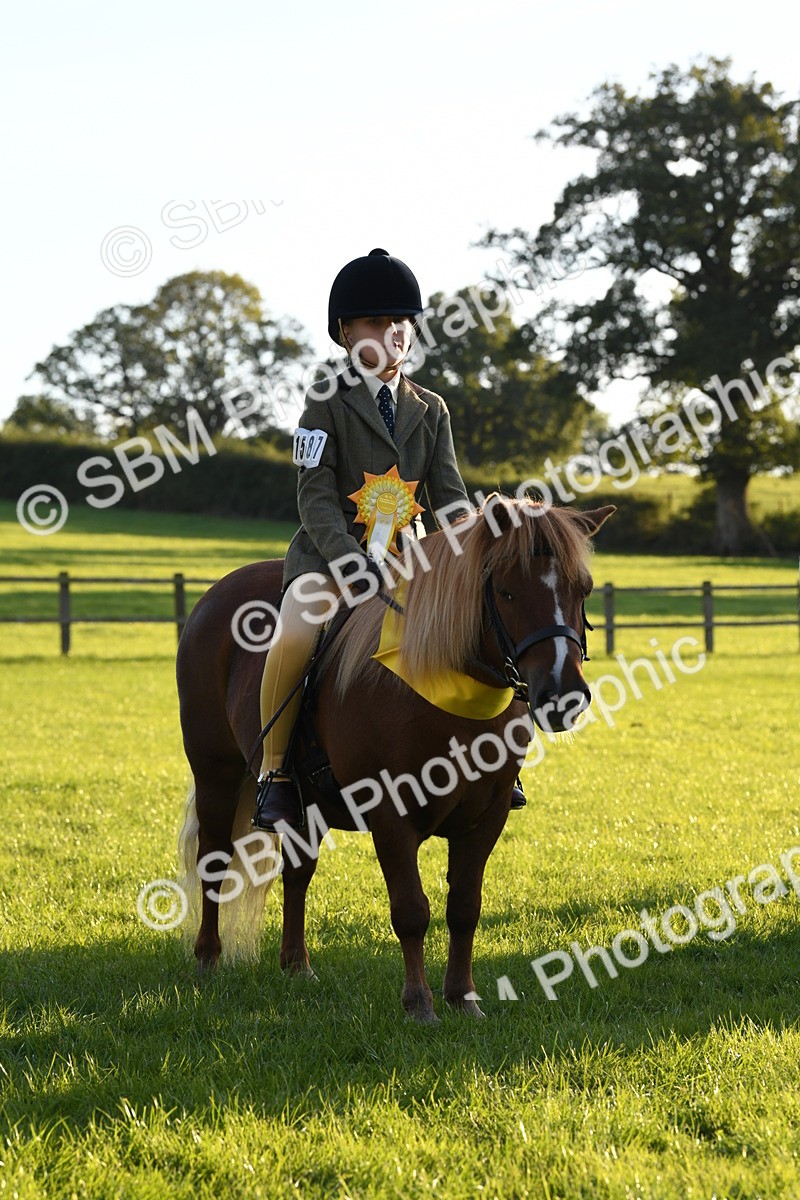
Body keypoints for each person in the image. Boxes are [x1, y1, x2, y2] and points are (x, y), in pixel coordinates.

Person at [253, 248, 525, 831]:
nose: (393, 332)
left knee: (493, 622)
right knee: (298, 626)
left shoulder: (431, 408)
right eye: (377, 322)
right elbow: (316, 496)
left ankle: (502, 761)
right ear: (346, 332)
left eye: (400, 322)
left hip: (412, 559)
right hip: (330, 559)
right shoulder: (325, 401)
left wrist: (469, 548)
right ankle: (275, 774)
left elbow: (449, 495)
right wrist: (351, 564)